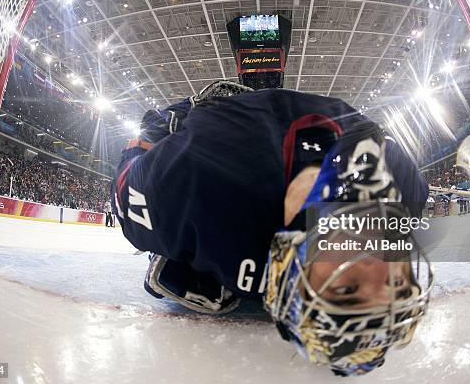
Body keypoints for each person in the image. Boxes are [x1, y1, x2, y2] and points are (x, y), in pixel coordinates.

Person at [111, 81, 432, 376]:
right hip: (221, 149)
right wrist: (162, 126)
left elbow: (126, 189)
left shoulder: (405, 188)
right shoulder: (197, 187)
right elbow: (126, 187)